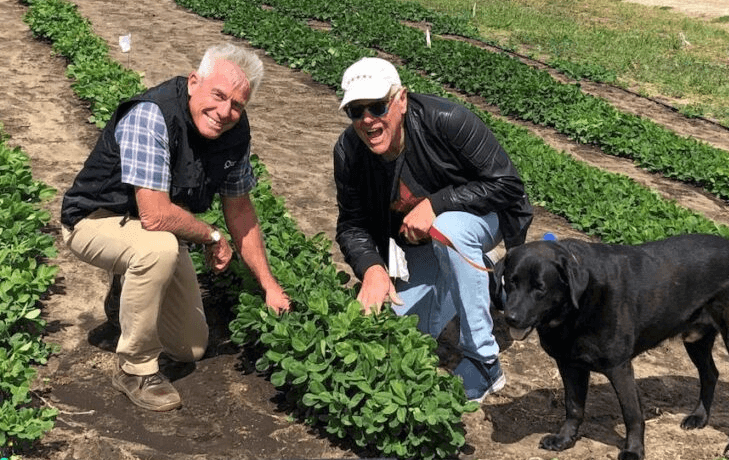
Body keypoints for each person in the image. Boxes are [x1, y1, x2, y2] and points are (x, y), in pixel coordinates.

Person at [60, 43, 291, 412]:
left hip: (156, 231)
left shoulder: (235, 133)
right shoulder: (152, 114)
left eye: (237, 104)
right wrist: (211, 236)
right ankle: (135, 368)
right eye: (218, 95)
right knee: (158, 250)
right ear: (194, 81)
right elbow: (153, 215)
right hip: (96, 220)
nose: (225, 112)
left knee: (190, 348)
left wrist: (270, 285)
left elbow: (241, 210)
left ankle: (128, 289)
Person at [333, 57, 533, 403]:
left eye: (378, 106)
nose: (368, 120)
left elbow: (508, 184)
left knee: (449, 228)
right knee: (395, 337)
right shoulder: (349, 151)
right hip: (421, 242)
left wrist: (438, 203)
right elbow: (352, 224)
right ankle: (478, 279)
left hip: (483, 218)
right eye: (356, 110)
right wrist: (373, 269)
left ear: (401, 100)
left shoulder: (447, 120)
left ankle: (483, 360)